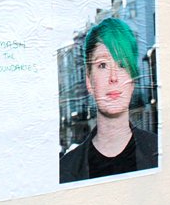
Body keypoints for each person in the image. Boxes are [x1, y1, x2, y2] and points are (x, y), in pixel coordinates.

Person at [60, 17, 158, 183]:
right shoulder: (65, 170)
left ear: (133, 80)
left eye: (122, 65)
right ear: (89, 81)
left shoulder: (160, 153)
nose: (113, 77)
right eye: (103, 65)